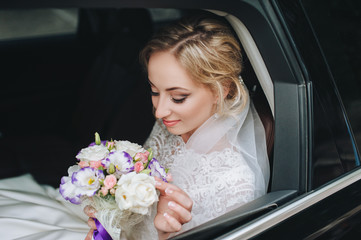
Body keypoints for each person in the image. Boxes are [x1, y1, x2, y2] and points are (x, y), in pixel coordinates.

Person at [85, 14, 270, 239]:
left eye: (178, 97)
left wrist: (165, 236)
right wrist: (109, 215)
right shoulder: (169, 127)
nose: (160, 111)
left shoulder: (234, 186)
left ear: (223, 90)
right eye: (154, 91)